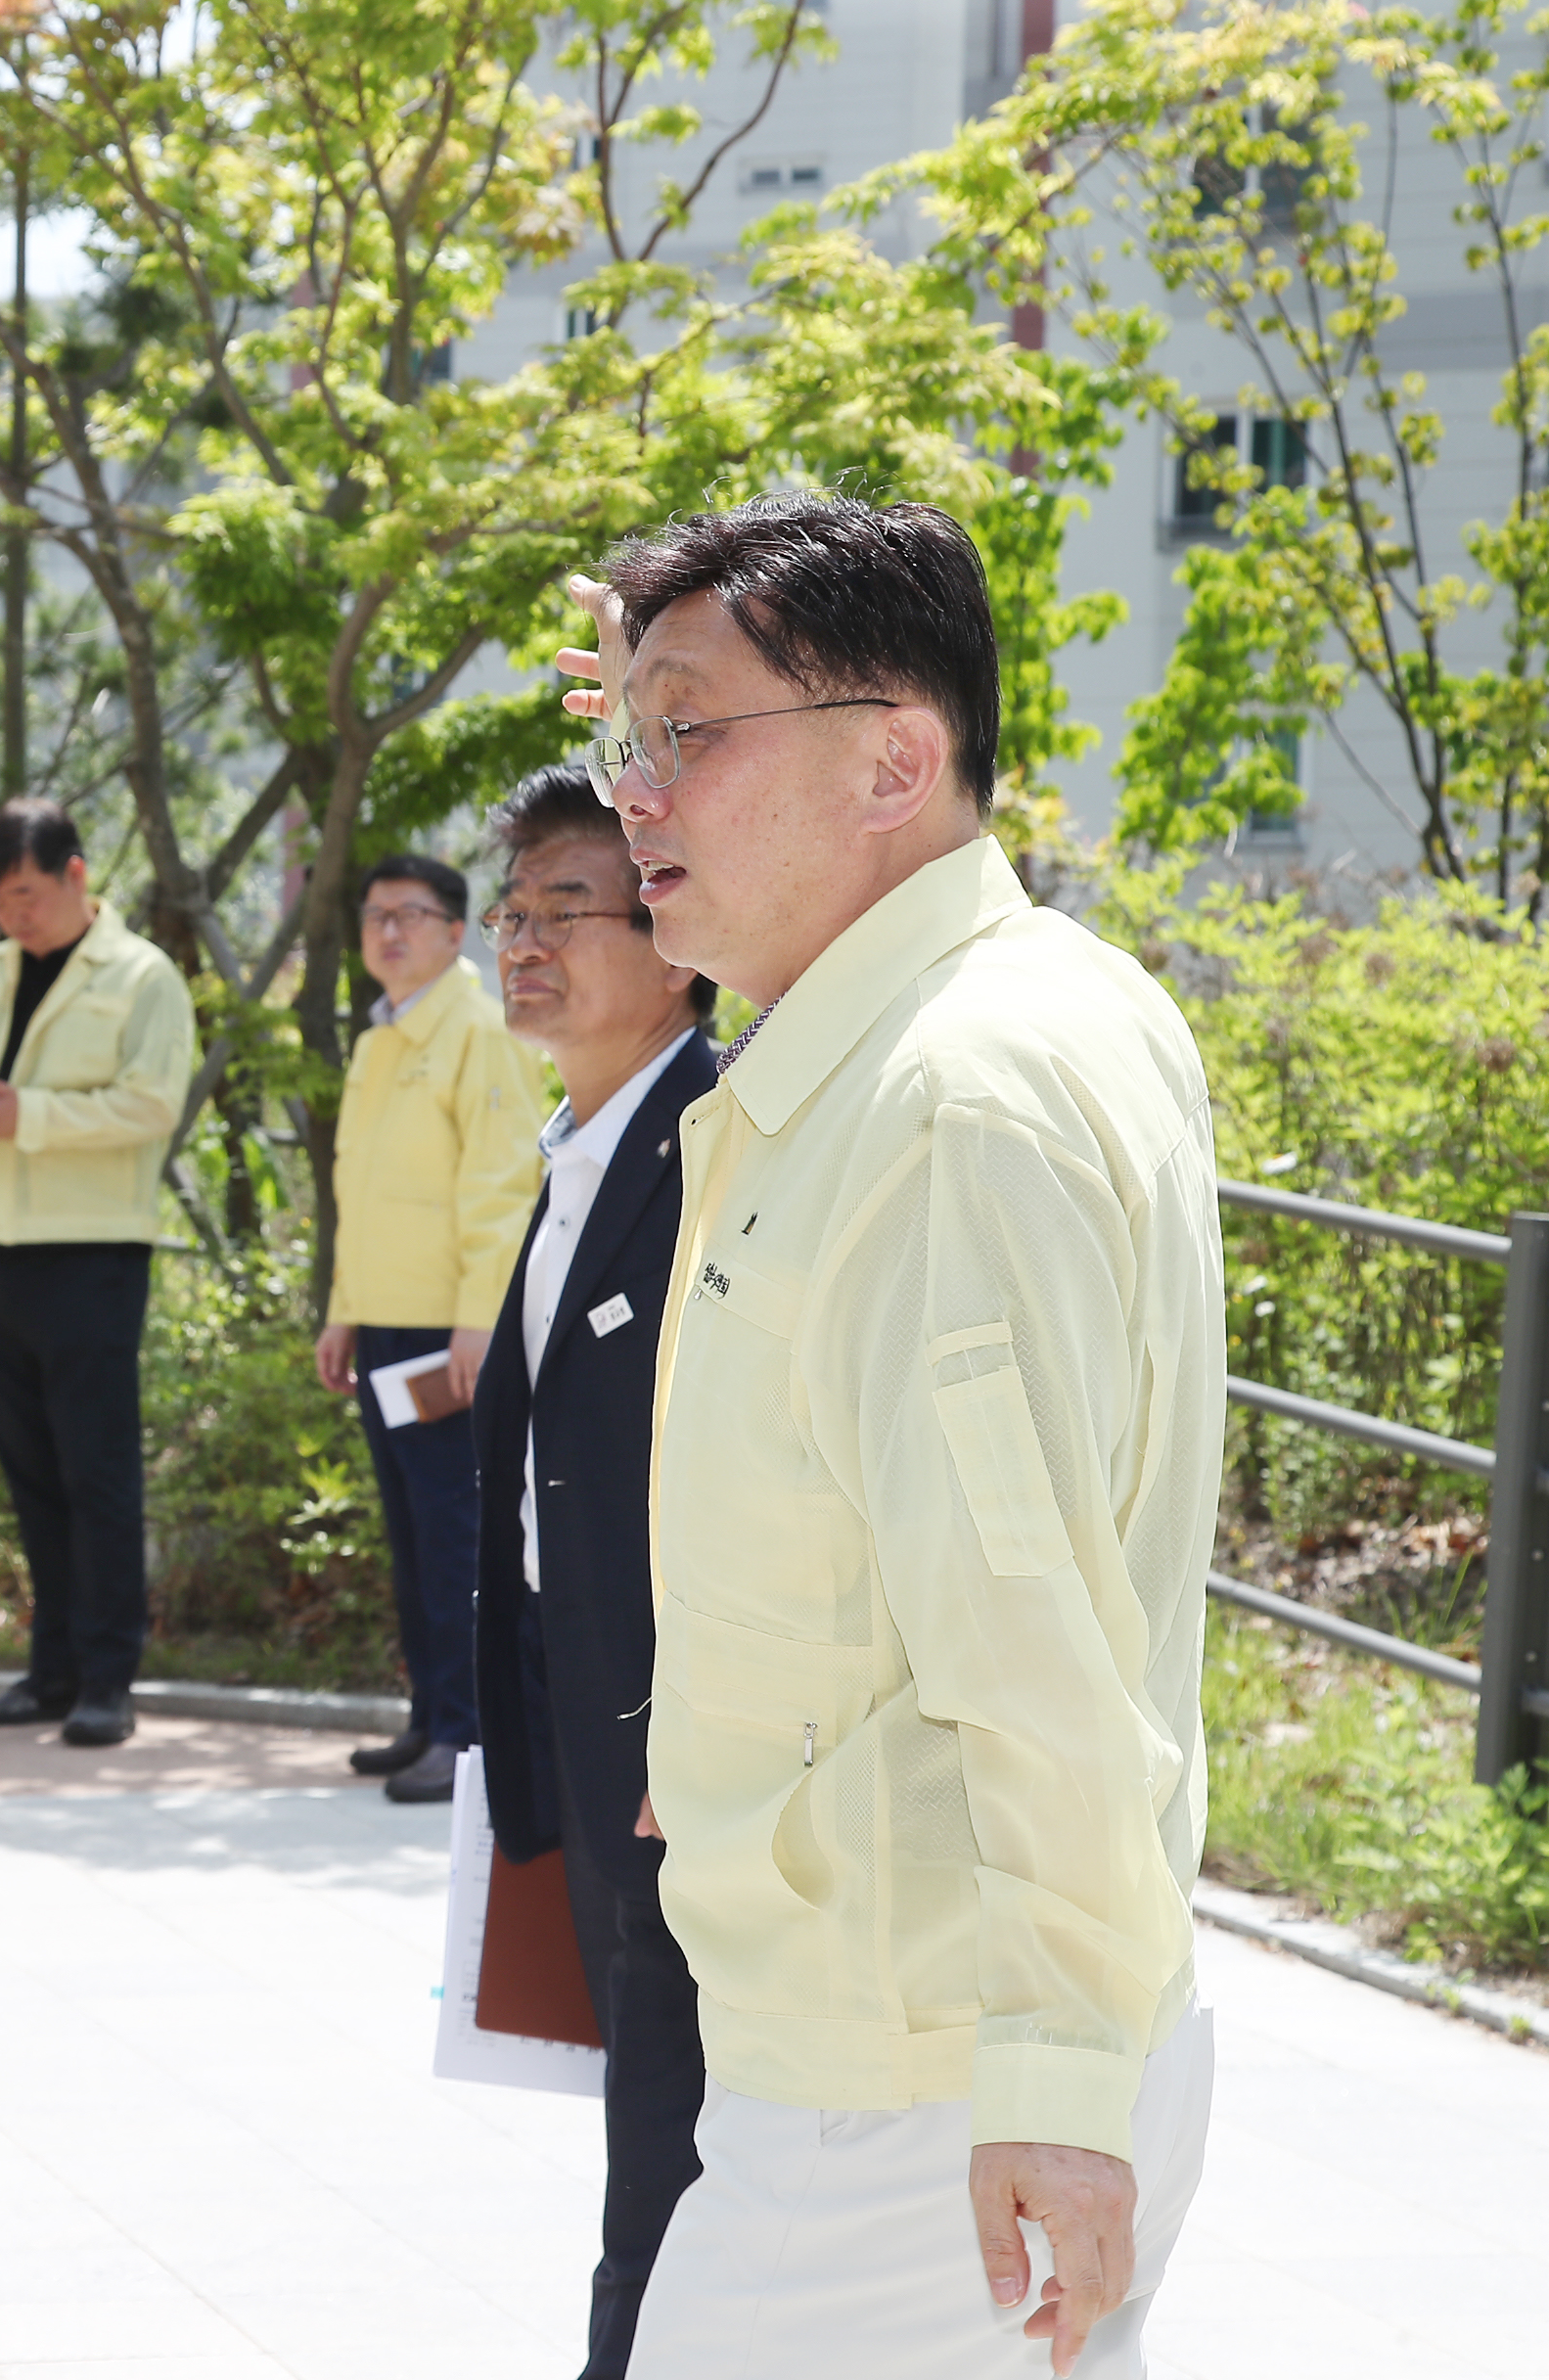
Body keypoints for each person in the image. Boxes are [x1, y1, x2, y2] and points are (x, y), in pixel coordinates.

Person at [560, 495, 1221, 2380]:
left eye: (683, 732)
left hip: (920, 2099)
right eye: (620, 735)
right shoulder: (965, 1019)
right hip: (932, 2052)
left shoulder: (941, 1092)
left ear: (894, 761)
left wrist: (1047, 2075)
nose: (632, 796)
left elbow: (1027, 1635)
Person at [465, 762, 721, 2380]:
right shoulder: (575, 1144)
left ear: (674, 935)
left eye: (569, 905)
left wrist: (695, 1712)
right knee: (643, 2085)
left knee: (675, 2116)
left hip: (678, 1721)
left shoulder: (714, 1148)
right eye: (514, 911)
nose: (526, 940)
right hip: (586, 1696)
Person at [0, 800, 198, 1749]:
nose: (13, 916)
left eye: (29, 894)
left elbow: (153, 1104)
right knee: (30, 1473)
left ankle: (107, 1678)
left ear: (78, 875)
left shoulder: (142, 977)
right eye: (0, 900)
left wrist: (24, 1117)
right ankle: (50, 1669)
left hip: (90, 1253)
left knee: (98, 1473)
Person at [313, 851, 547, 1805]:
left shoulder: (480, 1030)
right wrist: (342, 1311)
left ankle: (466, 1732)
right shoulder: (379, 1040)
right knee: (410, 1534)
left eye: (410, 914)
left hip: (447, 1335)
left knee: (455, 1533)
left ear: (458, 931)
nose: (389, 932)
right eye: (374, 915)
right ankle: (427, 1713)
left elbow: (500, 1181)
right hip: (383, 1326)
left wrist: (477, 1321)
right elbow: (356, 1191)